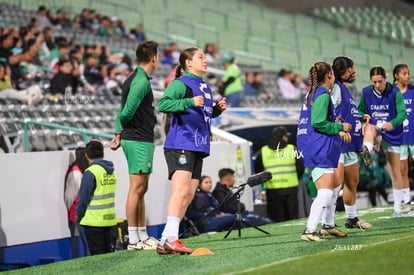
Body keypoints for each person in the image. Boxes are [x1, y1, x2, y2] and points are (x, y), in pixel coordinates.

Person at [156, 47, 227, 255]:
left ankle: (166, 241)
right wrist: (189, 101)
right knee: (180, 192)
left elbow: (201, 113)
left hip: (198, 145)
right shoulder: (181, 83)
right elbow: (163, 104)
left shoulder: (204, 85)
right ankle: (171, 239)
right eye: (200, 57)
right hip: (181, 143)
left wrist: (216, 110)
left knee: (188, 195)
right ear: (188, 63)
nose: (205, 61)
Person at [109, 41, 160, 251]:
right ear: (154, 58)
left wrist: (119, 132)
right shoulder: (140, 81)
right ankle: (133, 239)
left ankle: (142, 235)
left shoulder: (136, 77)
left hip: (140, 138)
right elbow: (126, 112)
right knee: (136, 188)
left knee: (142, 188)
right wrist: (121, 130)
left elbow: (121, 110)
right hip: (138, 138)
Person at [296, 62, 352, 241]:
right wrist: (340, 126)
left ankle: (328, 225)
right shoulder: (322, 95)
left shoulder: (313, 93)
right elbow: (318, 122)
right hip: (320, 147)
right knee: (326, 192)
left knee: (335, 185)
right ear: (328, 75)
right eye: (332, 74)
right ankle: (309, 230)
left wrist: (336, 124)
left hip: (316, 145)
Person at [327, 56, 372, 232]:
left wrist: (359, 117)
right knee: (335, 185)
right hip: (339, 143)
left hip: (351, 145)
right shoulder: (336, 88)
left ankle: (351, 218)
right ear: (341, 72)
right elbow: (329, 111)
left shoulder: (345, 89)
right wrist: (337, 129)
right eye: (350, 70)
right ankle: (327, 223)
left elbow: (345, 111)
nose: (353, 73)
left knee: (352, 182)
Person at [358, 66, 407, 216]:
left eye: (380, 81)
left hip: (392, 131)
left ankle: (398, 207)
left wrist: (392, 123)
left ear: (385, 78)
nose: (377, 85)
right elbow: (360, 111)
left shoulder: (394, 92)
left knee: (395, 171)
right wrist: (363, 119)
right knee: (369, 129)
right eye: (374, 82)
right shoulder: (366, 92)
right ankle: (367, 150)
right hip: (376, 128)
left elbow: (403, 114)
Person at [254, 126, 304, 222]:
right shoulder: (292, 149)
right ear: (284, 137)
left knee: (276, 218)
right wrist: (294, 177)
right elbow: (301, 167)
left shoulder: (263, 151)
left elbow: (258, 170)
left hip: (272, 190)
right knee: (292, 218)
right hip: (291, 189)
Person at [76, 140, 117, 255]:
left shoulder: (90, 172)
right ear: (103, 154)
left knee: (97, 260)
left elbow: (83, 199)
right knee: (108, 258)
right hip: (109, 221)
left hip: (93, 223)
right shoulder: (111, 171)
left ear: (86, 155)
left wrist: (78, 216)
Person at [393, 64, 414, 213]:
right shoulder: (391, 93)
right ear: (396, 76)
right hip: (400, 137)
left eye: (408, 73)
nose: (408, 76)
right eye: (404, 73)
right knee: (402, 170)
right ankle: (407, 201)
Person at [64, 147, 90, 257]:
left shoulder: (79, 171)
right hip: (78, 213)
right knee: (86, 244)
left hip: (81, 212)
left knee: (87, 243)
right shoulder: (76, 172)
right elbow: (70, 196)